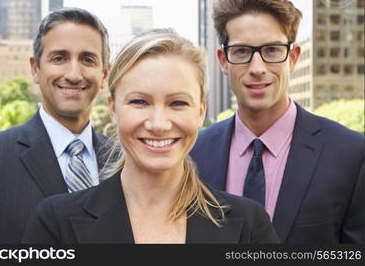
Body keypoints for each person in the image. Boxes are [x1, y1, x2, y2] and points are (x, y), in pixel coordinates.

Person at [22, 29, 279, 244]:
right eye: (140, 102)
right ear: (113, 109)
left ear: (201, 112)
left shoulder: (249, 225)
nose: (158, 124)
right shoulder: (56, 222)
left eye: (177, 103)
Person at [190, 0, 364, 244]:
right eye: (242, 52)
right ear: (224, 61)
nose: (257, 68)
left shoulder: (351, 153)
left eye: (272, 50)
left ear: (292, 58)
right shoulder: (193, 153)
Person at [0, 7, 112, 243]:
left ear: (104, 74)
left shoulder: (124, 162)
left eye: (88, 59)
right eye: (59, 58)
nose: (74, 74)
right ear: (35, 69)